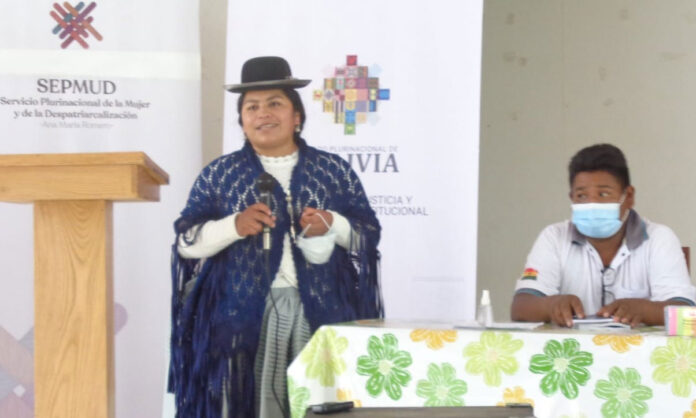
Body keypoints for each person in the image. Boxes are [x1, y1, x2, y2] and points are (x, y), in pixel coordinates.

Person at [168, 56, 382, 418]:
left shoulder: (333, 171)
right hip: (241, 316)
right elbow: (186, 242)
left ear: (297, 116)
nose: (263, 113)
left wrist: (332, 223)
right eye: (252, 107)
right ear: (242, 121)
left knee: (318, 405)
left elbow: (368, 236)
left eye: (275, 103)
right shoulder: (220, 174)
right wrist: (234, 226)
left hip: (321, 312)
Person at [510, 143, 695, 328]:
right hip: (571, 347)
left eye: (604, 194)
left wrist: (644, 310)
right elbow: (520, 308)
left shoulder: (659, 238)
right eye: (582, 196)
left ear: (629, 196)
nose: (592, 203)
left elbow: (687, 312)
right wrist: (551, 306)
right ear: (571, 198)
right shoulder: (554, 238)